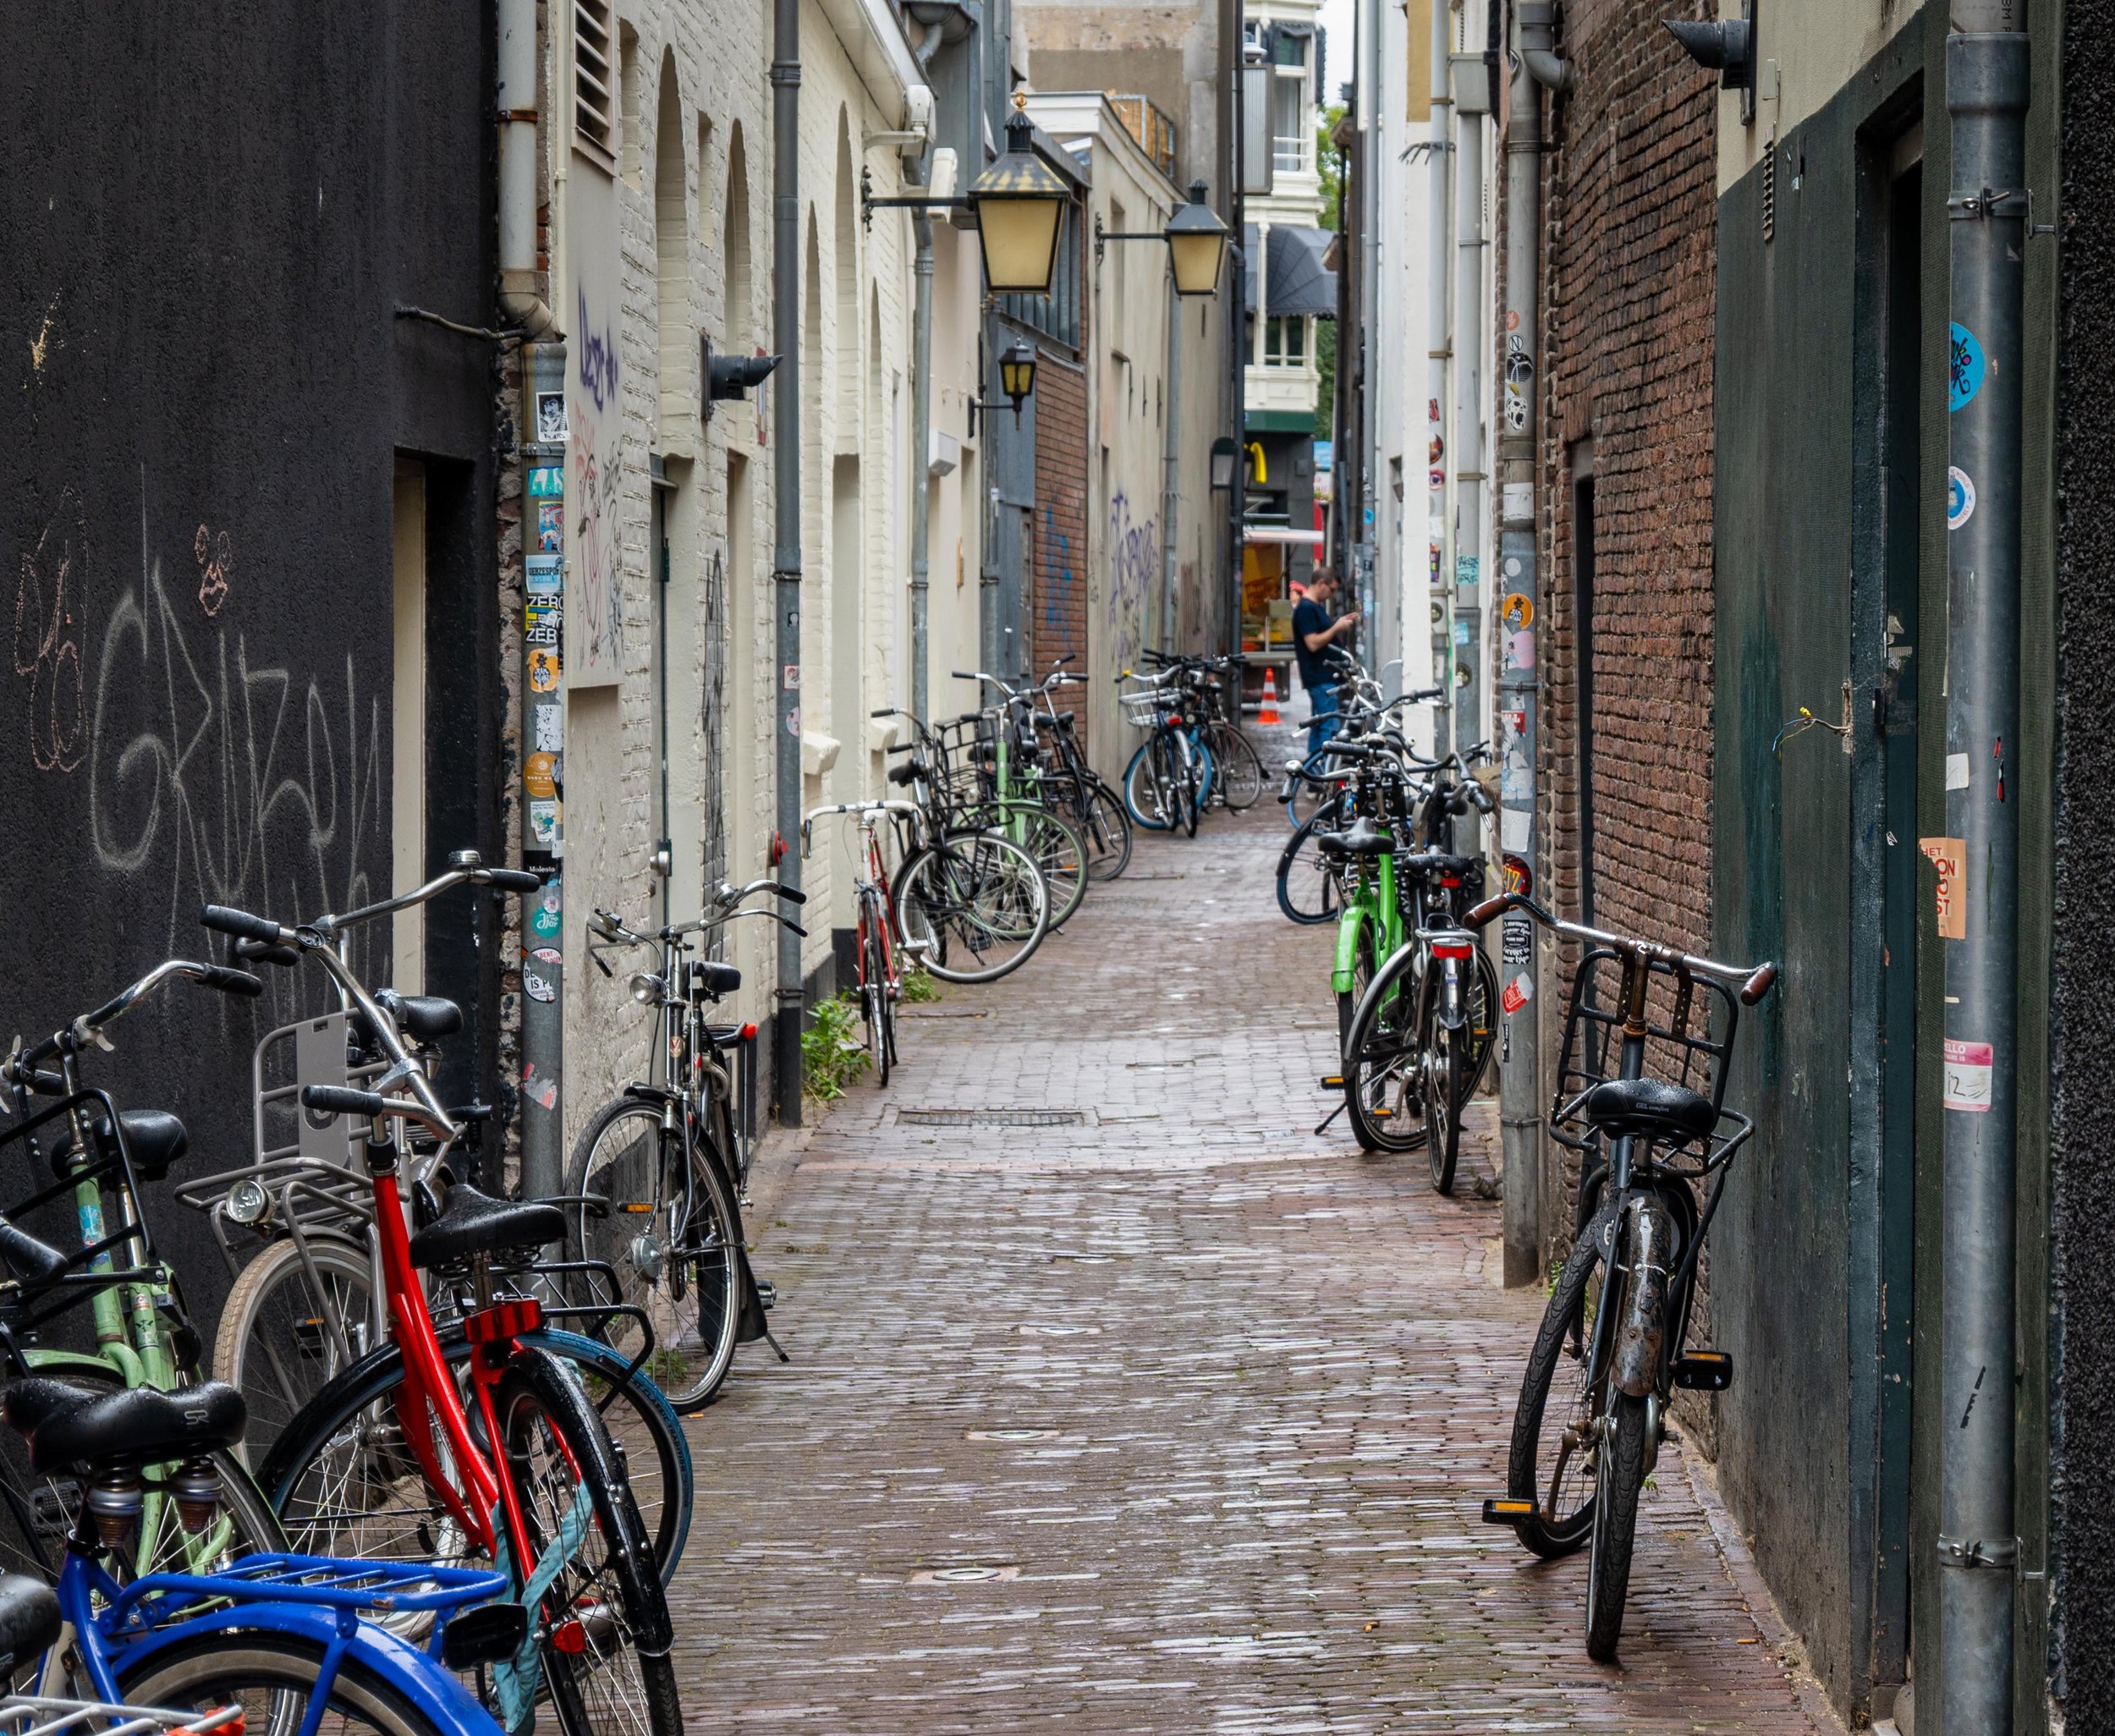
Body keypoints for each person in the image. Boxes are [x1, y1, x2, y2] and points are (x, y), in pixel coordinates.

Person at [1292, 569, 1360, 756]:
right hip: (1320, 677)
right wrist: (1337, 627)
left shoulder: (1315, 607)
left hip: (1322, 677)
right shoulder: (1306, 609)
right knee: (1329, 726)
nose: (1332, 595)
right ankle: (1323, 773)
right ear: (1320, 583)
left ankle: (1314, 773)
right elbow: (1312, 643)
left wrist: (1339, 623)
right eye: (1331, 590)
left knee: (1320, 724)